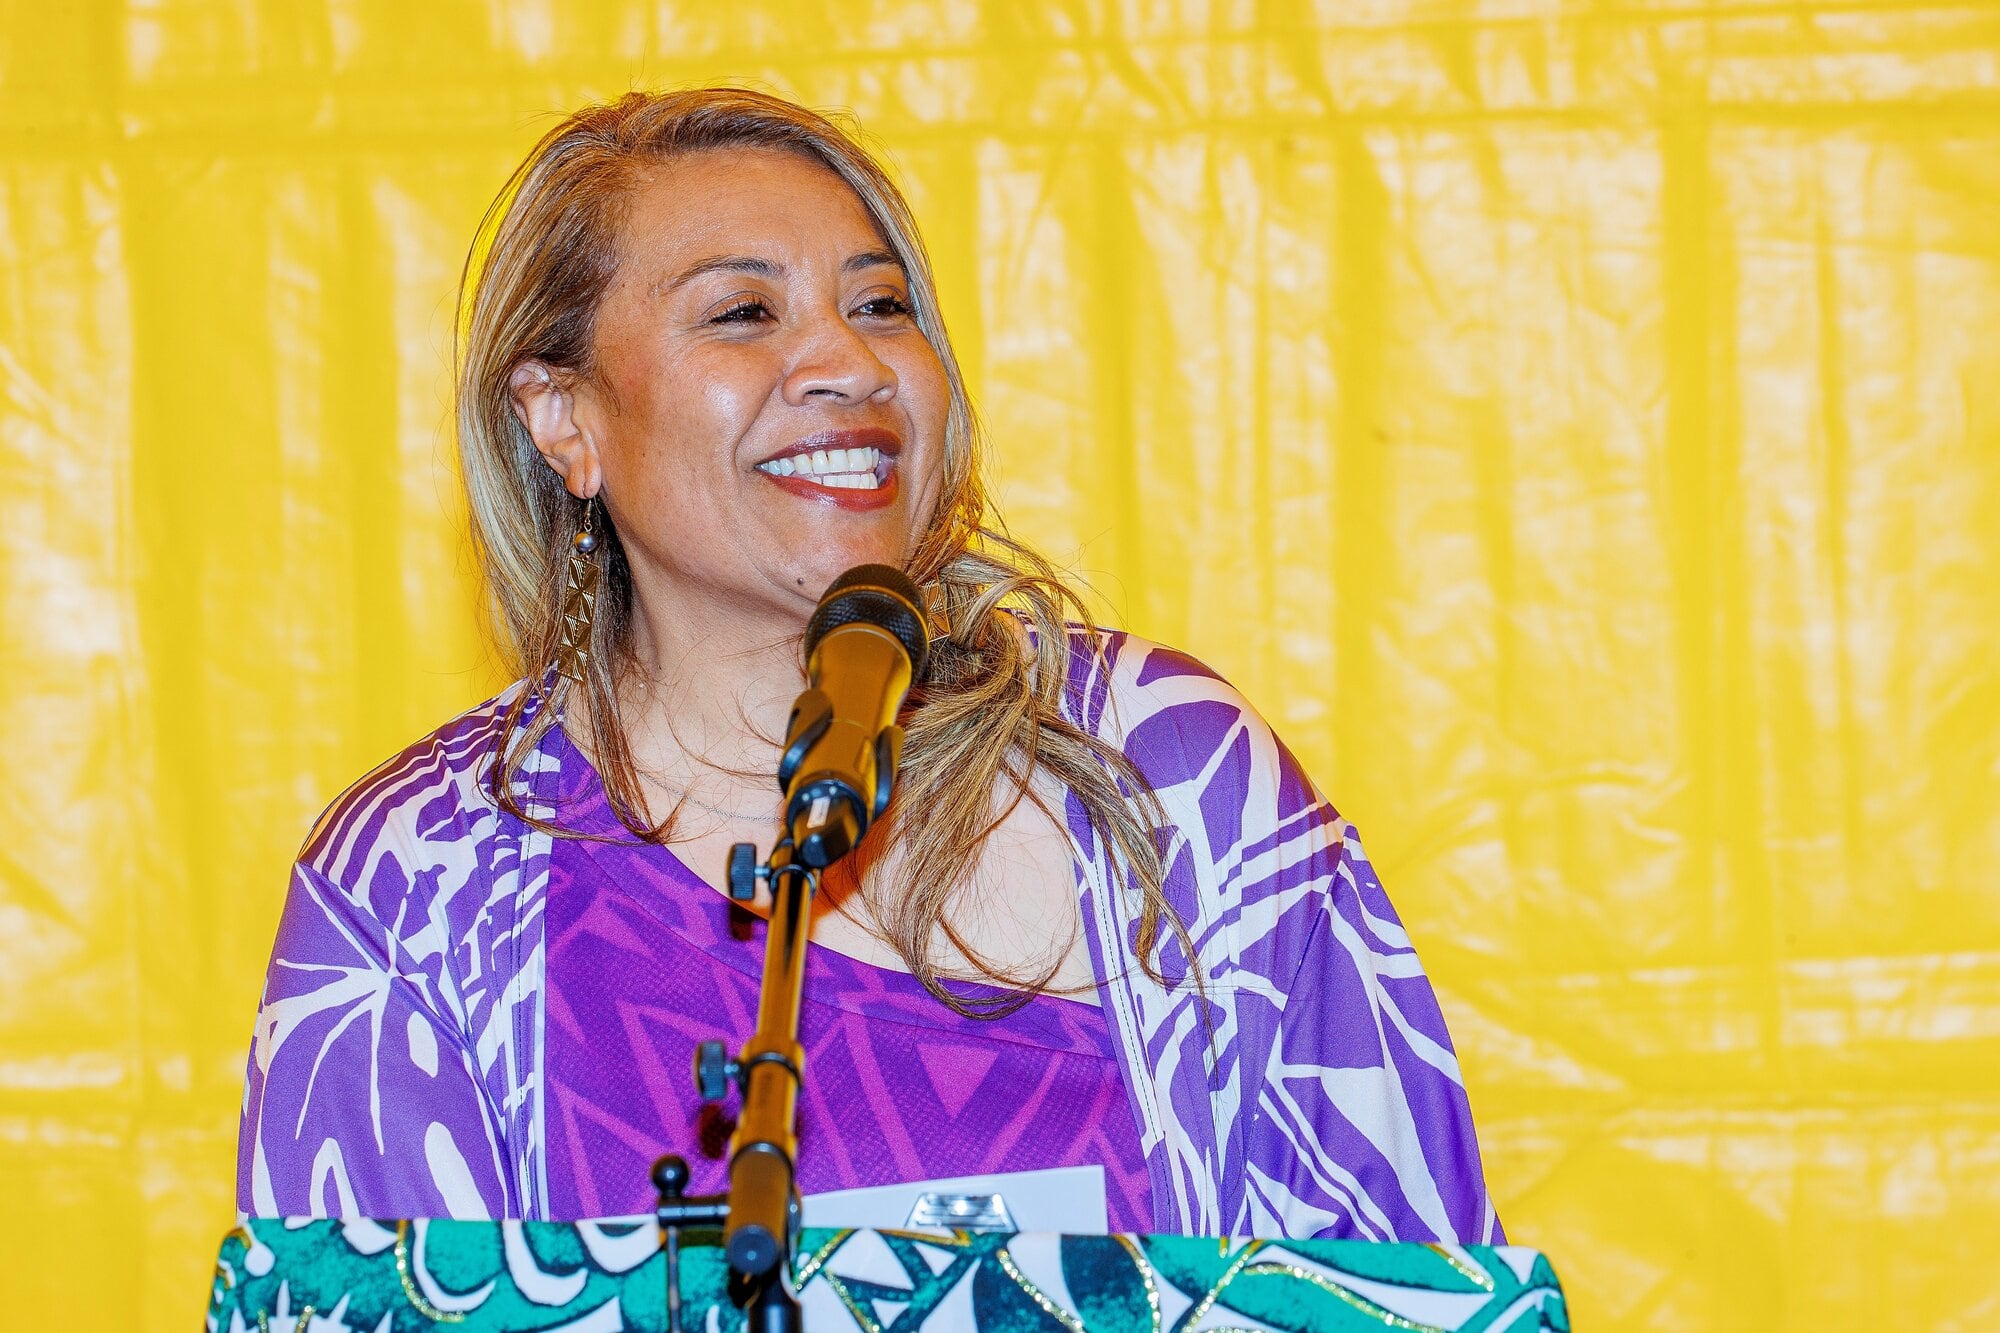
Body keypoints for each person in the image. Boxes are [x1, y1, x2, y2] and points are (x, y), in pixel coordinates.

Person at [235, 87, 1499, 1243]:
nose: (849, 364)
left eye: (882, 305)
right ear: (562, 419)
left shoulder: (1163, 772)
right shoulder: (414, 885)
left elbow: (1404, 1290)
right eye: (742, 314)